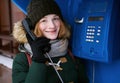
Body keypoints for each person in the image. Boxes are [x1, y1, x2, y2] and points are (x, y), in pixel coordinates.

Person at [12, 0, 89, 83]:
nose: (52, 25)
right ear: (32, 27)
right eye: (44, 21)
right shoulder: (22, 60)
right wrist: (38, 60)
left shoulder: (71, 53)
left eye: (55, 18)